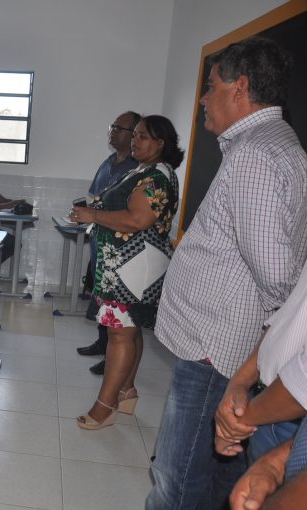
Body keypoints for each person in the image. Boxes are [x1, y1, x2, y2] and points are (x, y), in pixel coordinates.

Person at [146, 37, 307, 510]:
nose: (202, 99)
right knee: (220, 475)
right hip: (226, 343)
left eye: (211, 85)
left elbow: (277, 273)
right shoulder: (280, 144)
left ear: (240, 88)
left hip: (215, 346)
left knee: (175, 479)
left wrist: (269, 345)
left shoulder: (255, 154)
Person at [71, 115, 182, 430]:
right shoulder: (143, 170)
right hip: (125, 266)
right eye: (134, 135)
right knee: (129, 330)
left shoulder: (157, 176)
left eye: (143, 136)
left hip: (133, 268)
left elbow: (137, 220)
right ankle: (126, 391)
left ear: (161, 143)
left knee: (119, 335)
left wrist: (92, 215)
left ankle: (104, 408)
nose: (135, 141)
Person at [213, 257, 307, 469]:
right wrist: (239, 382)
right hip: (268, 406)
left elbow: (302, 385)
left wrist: (237, 423)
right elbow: (291, 316)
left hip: (293, 423)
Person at [77, 111, 141, 376]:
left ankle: (112, 356)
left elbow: (133, 213)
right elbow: (94, 196)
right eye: (112, 126)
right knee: (101, 297)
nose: (113, 132)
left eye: (119, 128)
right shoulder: (108, 162)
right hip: (100, 243)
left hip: (120, 248)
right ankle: (102, 342)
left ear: (134, 135)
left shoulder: (137, 168)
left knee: (118, 308)